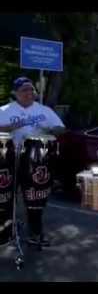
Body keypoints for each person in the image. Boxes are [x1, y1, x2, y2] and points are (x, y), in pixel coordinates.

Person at [0, 76, 65, 246]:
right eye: (24, 90)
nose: (29, 93)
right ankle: (6, 231)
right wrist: (11, 127)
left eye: (31, 90)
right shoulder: (5, 110)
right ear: (15, 93)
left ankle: (35, 234)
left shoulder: (44, 111)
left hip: (36, 160)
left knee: (35, 197)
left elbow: (61, 128)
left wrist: (52, 129)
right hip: (8, 158)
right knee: (6, 197)